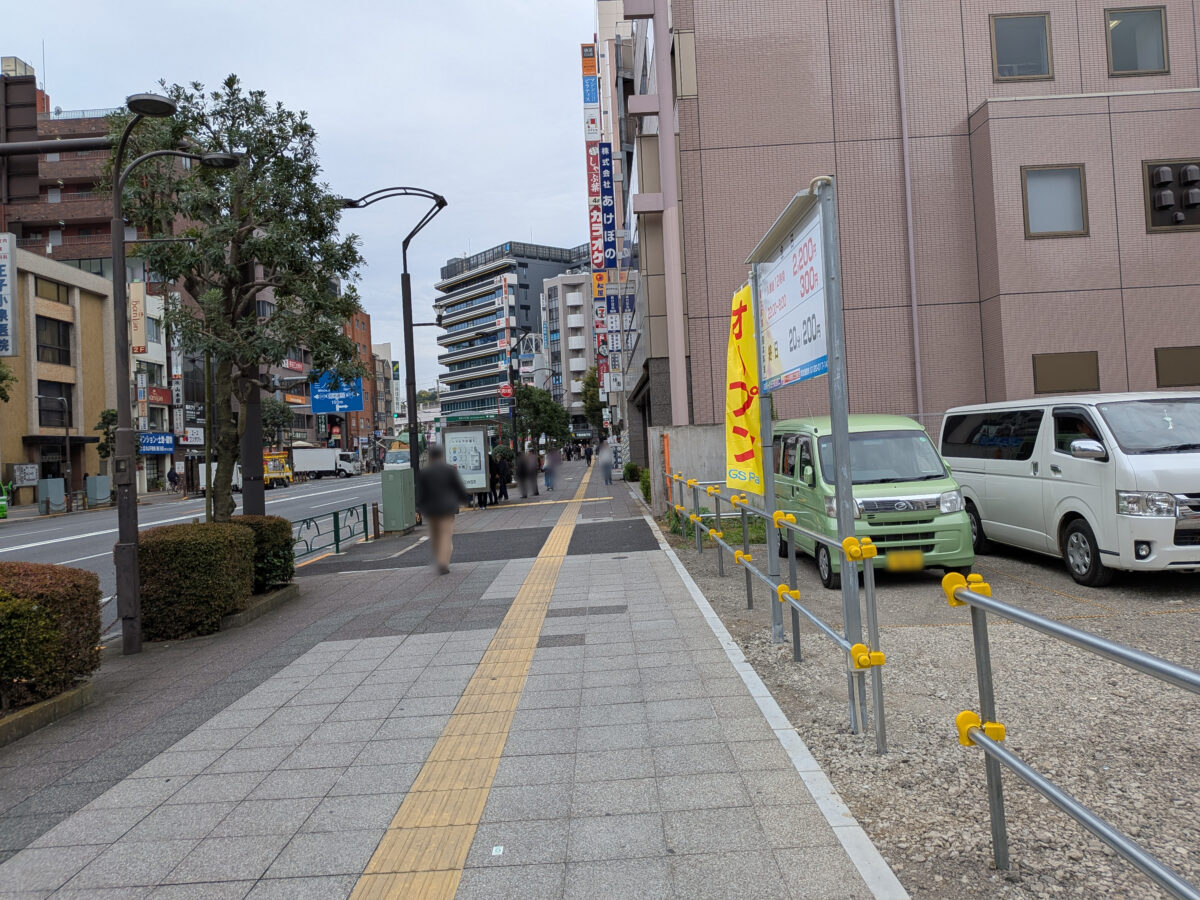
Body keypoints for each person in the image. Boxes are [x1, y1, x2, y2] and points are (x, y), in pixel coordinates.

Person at [415, 445, 471, 575]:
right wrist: (464, 500)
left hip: (431, 509)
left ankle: (439, 560)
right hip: (447, 509)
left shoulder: (424, 472)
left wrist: (418, 507)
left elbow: (420, 493)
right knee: (446, 535)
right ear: (441, 456)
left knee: (435, 536)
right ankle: (443, 563)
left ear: (430, 457)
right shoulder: (450, 470)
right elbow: (458, 487)